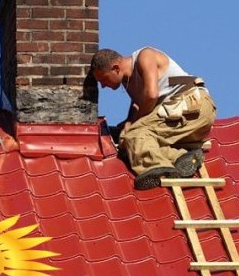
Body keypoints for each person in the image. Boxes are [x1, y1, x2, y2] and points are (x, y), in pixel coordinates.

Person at [90, 47, 216, 190]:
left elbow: (151, 95)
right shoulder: (128, 81)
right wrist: (127, 123)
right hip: (180, 118)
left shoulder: (145, 56)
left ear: (116, 68)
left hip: (192, 106)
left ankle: (158, 168)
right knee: (127, 140)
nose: (103, 86)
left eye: (104, 79)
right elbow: (138, 105)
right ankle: (180, 158)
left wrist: (132, 125)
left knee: (135, 136)